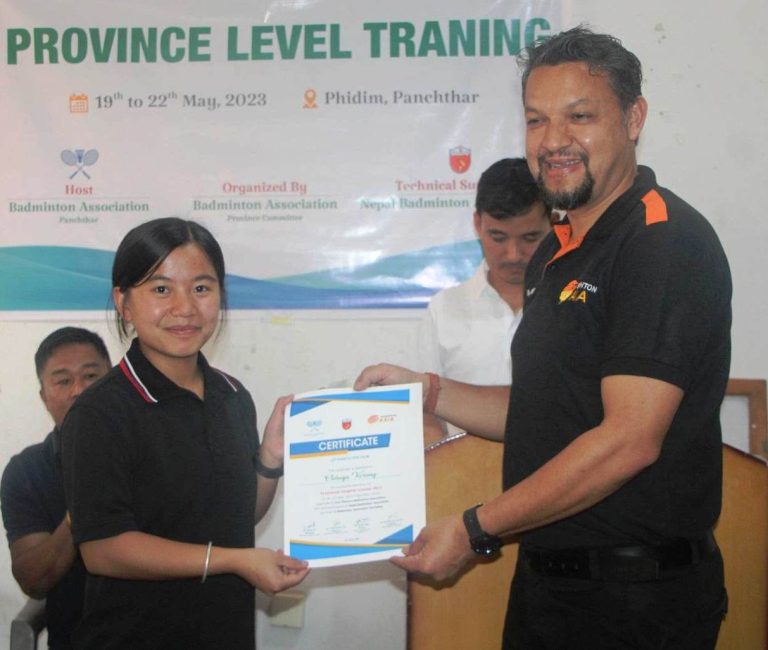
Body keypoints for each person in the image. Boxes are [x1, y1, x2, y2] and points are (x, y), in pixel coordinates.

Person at [355, 26, 731, 650]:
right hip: (548, 585)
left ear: (633, 118)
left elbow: (628, 440)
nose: (553, 140)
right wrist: (428, 390)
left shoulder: (662, 241)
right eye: (536, 120)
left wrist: (475, 527)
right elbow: (544, 411)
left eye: (579, 116)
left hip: (637, 599)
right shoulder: (556, 250)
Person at [61, 217, 309, 649]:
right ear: (123, 302)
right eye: (161, 289)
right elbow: (103, 548)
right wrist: (233, 561)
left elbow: (235, 516)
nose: (185, 308)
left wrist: (269, 459)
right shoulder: (99, 412)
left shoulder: (233, 396)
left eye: (201, 288)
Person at [1, 328, 111, 649]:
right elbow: (34, 580)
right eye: (63, 381)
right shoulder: (27, 471)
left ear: (114, 383)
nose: (79, 391)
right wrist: (80, 506)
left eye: (91, 376)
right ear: (44, 397)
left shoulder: (151, 452)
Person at [418, 157, 550, 386]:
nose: (513, 255)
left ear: (554, 224)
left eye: (530, 238)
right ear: (478, 224)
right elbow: (423, 402)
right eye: (498, 237)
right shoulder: (445, 310)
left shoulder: (576, 304)